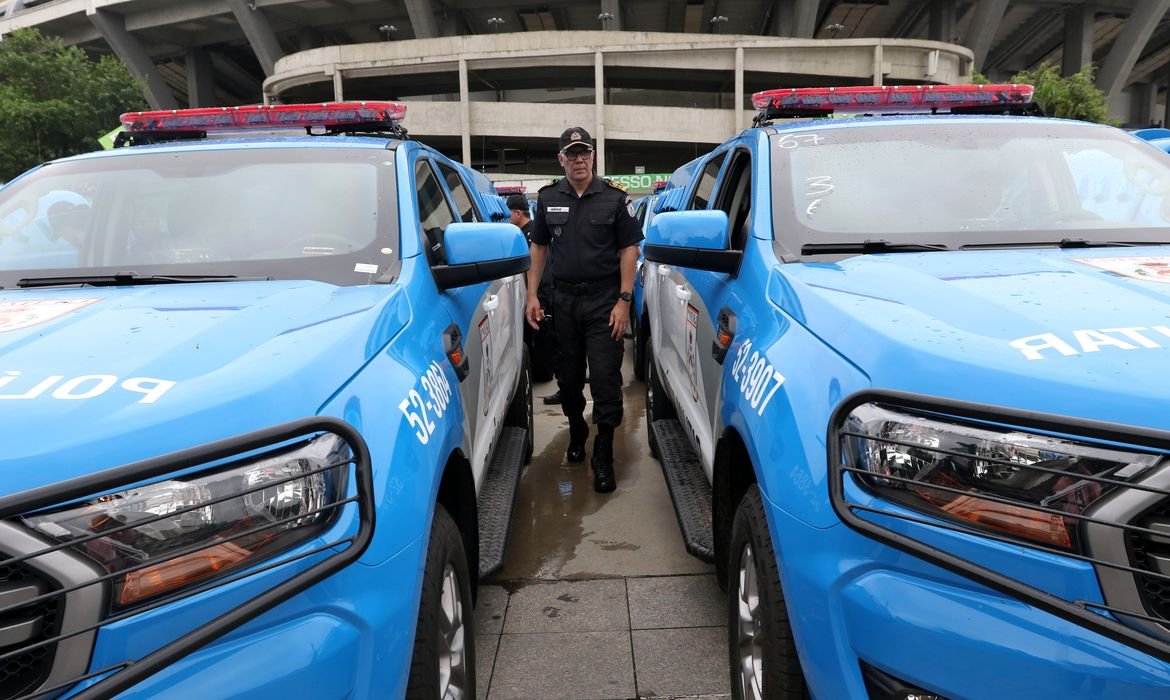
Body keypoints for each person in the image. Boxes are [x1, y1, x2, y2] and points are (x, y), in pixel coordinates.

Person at [525, 127, 642, 493]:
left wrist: (624, 301)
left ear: (593, 156)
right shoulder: (547, 199)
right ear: (561, 159)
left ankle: (602, 451)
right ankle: (577, 427)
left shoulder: (612, 198)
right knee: (570, 381)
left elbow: (629, 250)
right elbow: (539, 249)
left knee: (606, 378)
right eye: (571, 154)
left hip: (604, 303)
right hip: (563, 303)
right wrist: (532, 296)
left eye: (585, 153)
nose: (579, 160)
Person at [509, 193, 560, 394]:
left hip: (541, 292)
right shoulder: (528, 232)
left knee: (543, 335)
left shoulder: (530, 236)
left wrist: (535, 296)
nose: (507, 220)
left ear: (517, 213)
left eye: (509, 215)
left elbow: (540, 268)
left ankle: (545, 371)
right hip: (540, 292)